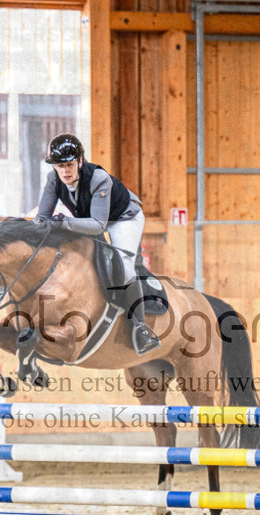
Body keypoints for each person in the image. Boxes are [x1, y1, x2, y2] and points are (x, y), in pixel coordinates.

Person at [35, 133, 160, 355]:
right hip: (89, 219)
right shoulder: (53, 179)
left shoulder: (98, 178)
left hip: (122, 218)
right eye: (59, 166)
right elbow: (42, 219)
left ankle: (141, 329)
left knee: (124, 265)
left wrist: (63, 223)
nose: (65, 171)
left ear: (80, 162)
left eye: (69, 165)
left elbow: (99, 225)